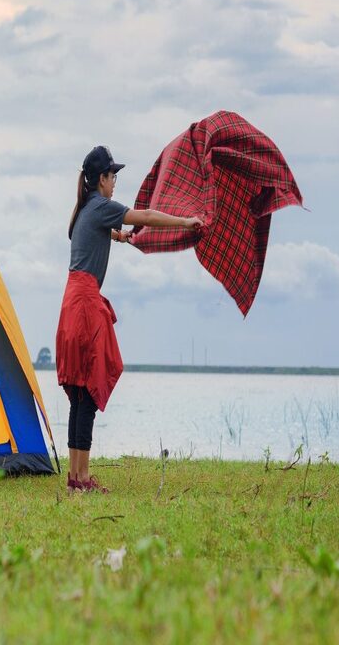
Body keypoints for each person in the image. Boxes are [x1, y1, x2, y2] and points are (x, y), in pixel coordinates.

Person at [56, 145, 203, 493]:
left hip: (72, 303)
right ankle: (82, 478)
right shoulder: (102, 207)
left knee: (79, 393)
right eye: (113, 176)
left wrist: (117, 236)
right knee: (88, 392)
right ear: (101, 179)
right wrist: (184, 221)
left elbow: (89, 233)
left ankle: (75, 479)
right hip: (86, 306)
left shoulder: (84, 211)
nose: (116, 182)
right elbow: (147, 216)